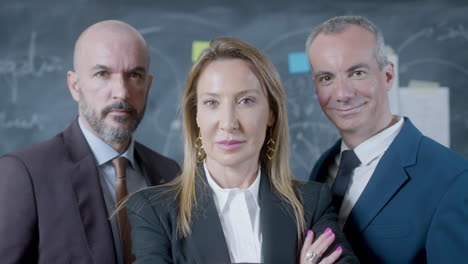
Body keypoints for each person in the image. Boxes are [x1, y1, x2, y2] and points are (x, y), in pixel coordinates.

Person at [126, 37, 358, 264]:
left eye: (245, 101)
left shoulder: (310, 203)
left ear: (271, 113)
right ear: (196, 115)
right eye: (212, 103)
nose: (228, 123)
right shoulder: (154, 211)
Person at [0, 20, 180, 264]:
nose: (122, 92)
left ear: (147, 85)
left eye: (134, 75)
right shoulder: (24, 174)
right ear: (75, 86)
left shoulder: (169, 174)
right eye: (102, 74)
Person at [306, 15, 468, 263]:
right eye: (326, 78)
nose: (342, 94)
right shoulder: (322, 167)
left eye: (357, 73)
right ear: (316, 89)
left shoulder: (454, 180)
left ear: (388, 75)